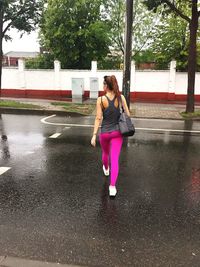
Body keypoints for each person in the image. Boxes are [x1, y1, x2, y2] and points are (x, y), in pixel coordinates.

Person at [91, 75, 130, 197]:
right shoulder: (121, 97)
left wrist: (93, 135)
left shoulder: (100, 100)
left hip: (105, 134)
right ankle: (112, 187)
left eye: (103, 84)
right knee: (115, 160)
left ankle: (106, 169)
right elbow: (128, 114)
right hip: (117, 133)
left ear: (107, 86)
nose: (103, 86)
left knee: (105, 154)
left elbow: (98, 118)